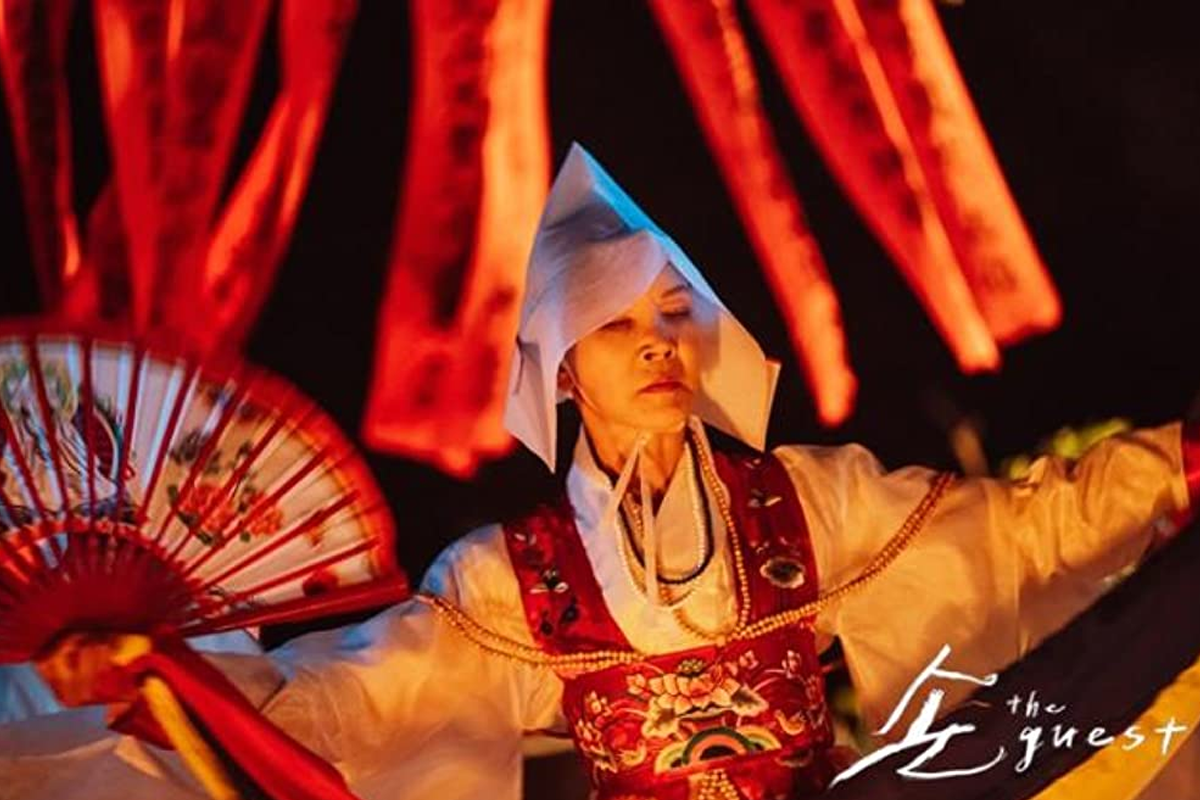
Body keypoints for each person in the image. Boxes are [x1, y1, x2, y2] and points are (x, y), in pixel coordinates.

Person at [19, 144, 1200, 800]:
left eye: (673, 313)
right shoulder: (509, 578)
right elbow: (353, 705)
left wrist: (1177, 464)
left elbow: (1024, 531)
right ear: (561, 370)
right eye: (615, 322)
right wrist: (164, 680)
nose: (656, 342)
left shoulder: (803, 499)